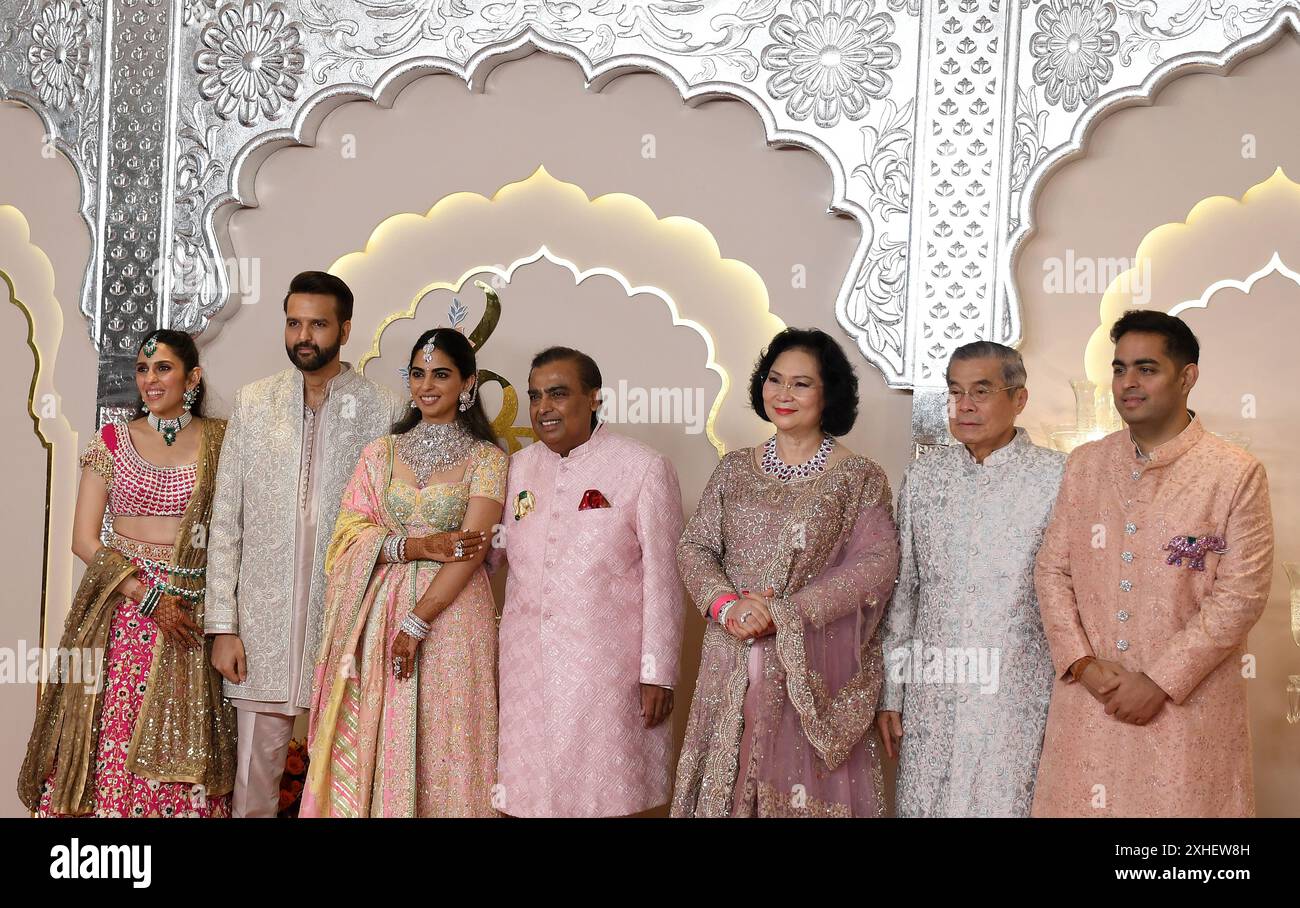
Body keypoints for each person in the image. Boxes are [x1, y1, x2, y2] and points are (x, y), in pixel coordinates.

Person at [1032, 310, 1274, 817]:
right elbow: (1052, 571)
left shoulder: (1233, 473)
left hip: (1186, 712)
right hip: (1090, 702)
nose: (1128, 383)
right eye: (1119, 369)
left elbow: (1241, 596)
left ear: (1187, 377)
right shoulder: (1086, 464)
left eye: (1146, 368)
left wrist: (1161, 680)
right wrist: (1082, 663)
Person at [671, 328, 899, 817]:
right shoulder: (733, 469)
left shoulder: (858, 478)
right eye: (775, 380)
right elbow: (695, 547)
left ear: (829, 393)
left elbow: (876, 569)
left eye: (801, 384)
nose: (783, 394)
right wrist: (728, 606)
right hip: (731, 655)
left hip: (810, 672)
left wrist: (786, 612)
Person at [205, 271, 404, 817]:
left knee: (343, 783)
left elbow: (390, 523)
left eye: (318, 324)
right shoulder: (254, 403)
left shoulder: (382, 410)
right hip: (261, 626)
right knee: (254, 780)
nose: (304, 336)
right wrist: (223, 624)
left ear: (344, 328)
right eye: (294, 323)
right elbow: (226, 521)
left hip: (342, 623)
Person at [19, 330, 235, 816]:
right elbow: (83, 539)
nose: (150, 380)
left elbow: (233, 532)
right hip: (122, 611)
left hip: (189, 614)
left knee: (183, 734)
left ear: (192, 376)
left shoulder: (222, 442)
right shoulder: (112, 440)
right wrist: (146, 595)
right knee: (112, 729)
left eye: (163, 368)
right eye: (142, 369)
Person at [302, 328, 505, 816]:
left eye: (441, 374)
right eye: (417, 374)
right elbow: (348, 536)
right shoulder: (380, 453)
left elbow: (472, 550)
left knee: (449, 731)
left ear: (468, 383)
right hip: (379, 611)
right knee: (384, 728)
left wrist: (417, 622)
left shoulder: (488, 459)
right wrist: (412, 546)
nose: (426, 386)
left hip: (454, 616)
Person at [490, 347, 685, 817]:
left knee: (603, 800)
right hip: (525, 671)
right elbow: (489, 560)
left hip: (606, 673)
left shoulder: (641, 467)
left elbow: (665, 578)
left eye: (558, 394)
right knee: (529, 801)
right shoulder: (518, 468)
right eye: (536, 396)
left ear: (595, 398)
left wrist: (657, 673)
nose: (543, 408)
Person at [876, 341, 1064, 816]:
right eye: (955, 392)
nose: (964, 406)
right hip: (933, 690)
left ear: (1019, 399)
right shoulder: (923, 477)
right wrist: (892, 691)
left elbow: (1071, 593)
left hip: (1018, 692)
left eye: (981, 391)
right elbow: (904, 593)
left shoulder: (1057, 477)